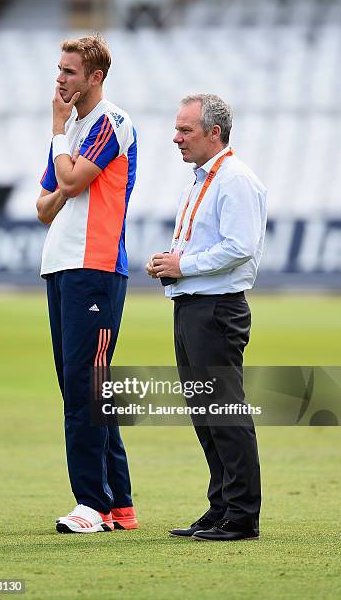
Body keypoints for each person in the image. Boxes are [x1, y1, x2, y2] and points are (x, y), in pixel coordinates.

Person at [146, 94, 267, 541]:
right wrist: (170, 259)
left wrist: (185, 266)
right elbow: (207, 244)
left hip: (217, 309)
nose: (176, 137)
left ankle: (242, 515)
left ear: (214, 132)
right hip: (193, 306)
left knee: (225, 411)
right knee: (205, 412)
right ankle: (221, 507)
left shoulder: (234, 180)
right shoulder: (201, 180)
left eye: (185, 130)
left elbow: (240, 246)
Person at [36, 35, 138, 534]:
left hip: (94, 267)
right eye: (59, 70)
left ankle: (90, 505)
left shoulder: (110, 122)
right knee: (86, 387)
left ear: (95, 77)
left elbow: (70, 184)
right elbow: (42, 205)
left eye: (70, 72)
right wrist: (66, 174)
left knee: (85, 387)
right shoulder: (73, 130)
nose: (60, 79)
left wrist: (61, 144)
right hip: (59, 265)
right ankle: (119, 504)